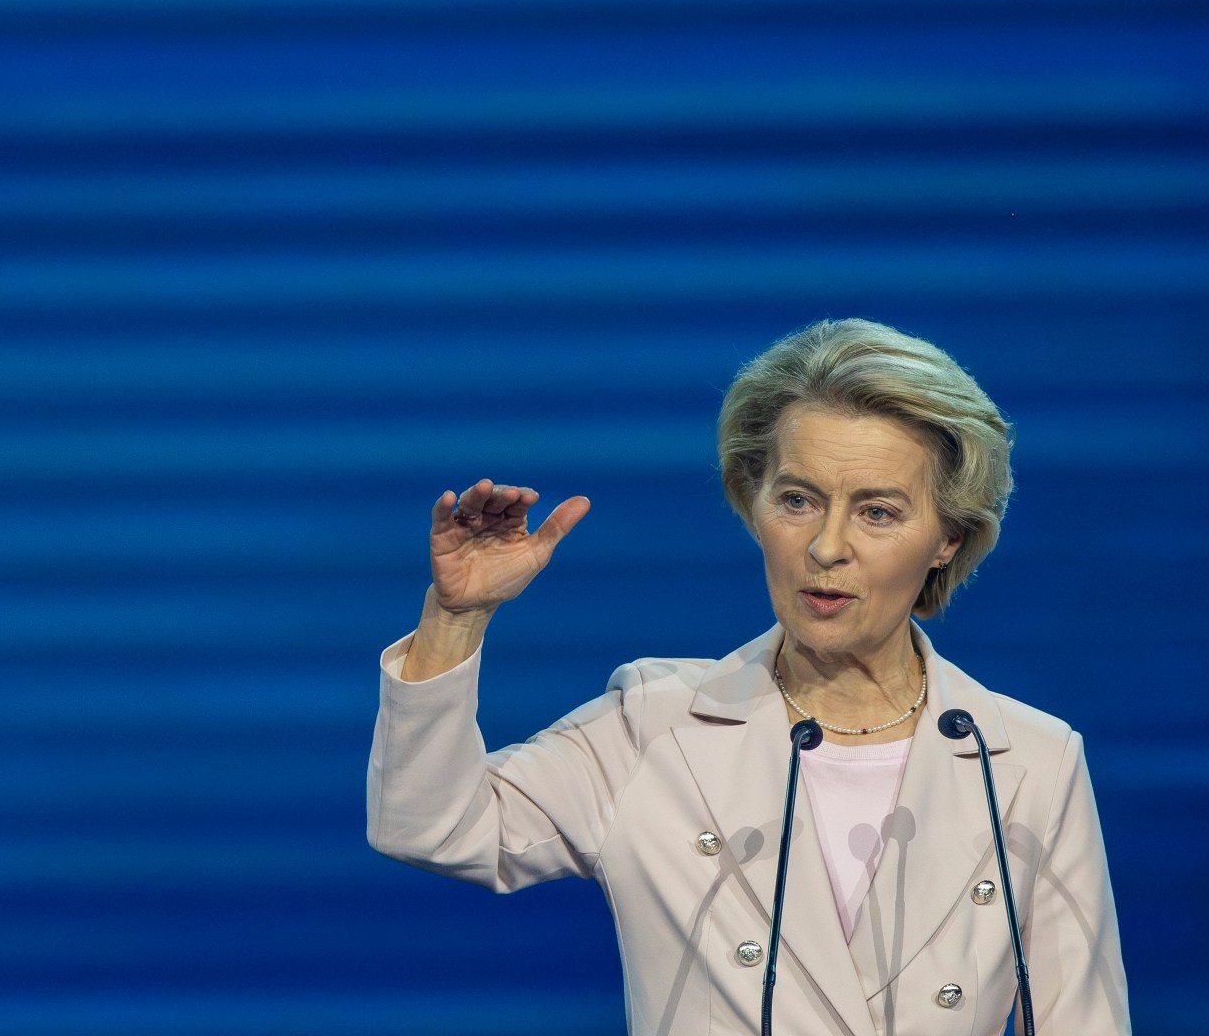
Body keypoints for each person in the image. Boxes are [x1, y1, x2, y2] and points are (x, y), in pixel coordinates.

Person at [368, 318, 1130, 1035]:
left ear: (947, 539)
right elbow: (430, 826)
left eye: (878, 512)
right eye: (798, 500)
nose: (827, 546)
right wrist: (456, 619)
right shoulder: (653, 726)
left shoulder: (1028, 762)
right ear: (753, 505)